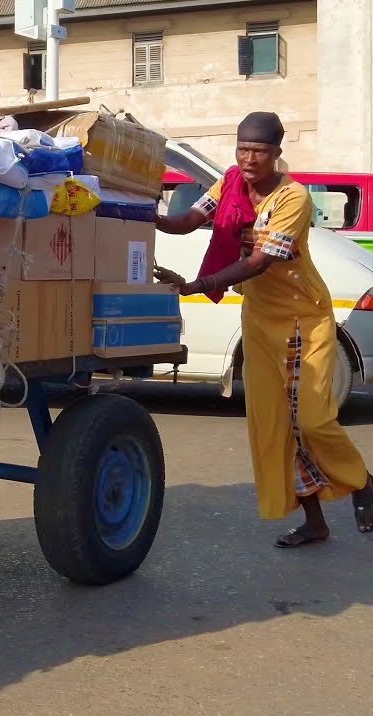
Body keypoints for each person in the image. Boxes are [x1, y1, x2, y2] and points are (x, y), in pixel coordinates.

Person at [154, 111, 373, 548]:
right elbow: (187, 221)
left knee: (310, 420)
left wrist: (198, 286)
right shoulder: (230, 183)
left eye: (259, 151)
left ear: (276, 154)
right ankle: (314, 521)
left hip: (300, 319)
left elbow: (260, 262)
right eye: (243, 149)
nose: (249, 159)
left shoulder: (293, 199)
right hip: (258, 319)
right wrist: (141, 213)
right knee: (274, 424)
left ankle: (364, 485)